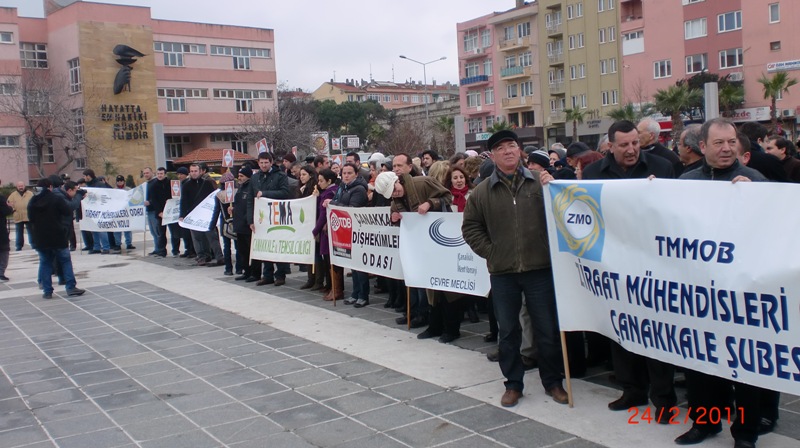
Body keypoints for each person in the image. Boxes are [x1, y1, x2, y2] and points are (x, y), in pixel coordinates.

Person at [676, 118, 767, 448]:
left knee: (743, 367)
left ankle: (745, 434)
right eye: (719, 143)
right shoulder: (686, 181)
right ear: (703, 147)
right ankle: (705, 423)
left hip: (741, 293)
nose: (727, 148)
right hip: (700, 291)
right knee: (700, 363)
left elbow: (771, 229)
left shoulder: (754, 179)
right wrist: (653, 192)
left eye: (731, 142)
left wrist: (756, 198)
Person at [461, 129, 567, 408]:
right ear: (493, 155)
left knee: (547, 329)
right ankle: (513, 384)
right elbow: (471, 228)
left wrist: (554, 185)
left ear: (520, 151)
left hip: (539, 269)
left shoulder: (540, 183)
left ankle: (553, 381)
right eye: (501, 148)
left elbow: (563, 213)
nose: (508, 151)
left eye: (512, 146)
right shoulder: (482, 191)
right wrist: (492, 252)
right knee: (508, 332)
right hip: (503, 272)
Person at [582, 120, 676, 420]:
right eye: (624, 145)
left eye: (635, 143)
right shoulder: (595, 173)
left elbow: (677, 210)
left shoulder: (663, 167)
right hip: (615, 265)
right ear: (610, 146)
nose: (632, 149)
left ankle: (663, 398)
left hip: (654, 265)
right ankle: (631, 389)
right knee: (621, 330)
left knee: (655, 333)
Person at [374, 166, 452, 328]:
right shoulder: (395, 200)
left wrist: (430, 203)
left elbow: (447, 197)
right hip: (414, 241)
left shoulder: (423, 183)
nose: (395, 194)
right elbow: (395, 218)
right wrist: (394, 219)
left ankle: (425, 314)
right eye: (391, 194)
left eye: (395, 190)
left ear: (397, 180)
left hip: (435, 237)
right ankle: (415, 311)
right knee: (413, 277)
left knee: (426, 281)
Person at [28, 178, 85, 299]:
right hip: (57, 235)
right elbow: (67, 210)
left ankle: (47, 290)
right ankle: (70, 287)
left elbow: (30, 219)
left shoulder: (33, 201)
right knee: (65, 261)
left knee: (45, 262)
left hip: (41, 237)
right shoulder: (56, 198)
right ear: (50, 187)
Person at [247, 152, 291, 286]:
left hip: (277, 216)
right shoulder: (254, 178)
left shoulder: (280, 175)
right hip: (262, 218)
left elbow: (285, 192)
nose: (264, 165)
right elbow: (250, 199)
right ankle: (267, 275)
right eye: (261, 163)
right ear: (258, 163)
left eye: (266, 162)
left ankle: (281, 275)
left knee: (277, 246)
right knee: (265, 246)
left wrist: (265, 194)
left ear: (271, 162)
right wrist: (250, 220)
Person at [331, 163, 370, 307]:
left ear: (356, 174)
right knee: (353, 264)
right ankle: (355, 293)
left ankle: (363, 295)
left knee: (360, 265)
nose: (346, 176)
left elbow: (352, 209)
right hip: (346, 230)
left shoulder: (359, 189)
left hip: (358, 230)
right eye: (344, 173)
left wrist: (336, 205)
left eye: (349, 173)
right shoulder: (342, 187)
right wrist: (336, 203)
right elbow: (335, 200)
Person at [180, 163, 222, 266]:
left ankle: (219, 256)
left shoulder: (207, 184)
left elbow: (214, 197)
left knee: (212, 236)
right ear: (190, 172)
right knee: (197, 238)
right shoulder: (186, 185)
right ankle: (202, 256)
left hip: (207, 215)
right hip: (193, 215)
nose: (194, 173)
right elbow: (183, 201)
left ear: (200, 171)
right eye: (192, 171)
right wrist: (182, 215)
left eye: (196, 171)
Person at [313, 169, 339, 299]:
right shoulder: (327, 192)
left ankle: (335, 288)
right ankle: (330, 286)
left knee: (330, 260)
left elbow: (323, 214)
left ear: (329, 181)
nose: (319, 183)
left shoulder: (329, 193)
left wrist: (315, 231)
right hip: (327, 231)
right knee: (327, 260)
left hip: (327, 231)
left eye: (321, 181)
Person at [83, 168, 116, 254]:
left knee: (101, 229)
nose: (84, 178)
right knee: (94, 229)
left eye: (85, 176)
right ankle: (96, 247)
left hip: (100, 209)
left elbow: (104, 195)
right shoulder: (88, 185)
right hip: (92, 210)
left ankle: (106, 247)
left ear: (89, 176)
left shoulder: (99, 184)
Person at [297, 165, 319, 289]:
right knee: (309, 253)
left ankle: (318, 280)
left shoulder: (314, 188)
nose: (301, 177)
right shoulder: (301, 188)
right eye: (300, 175)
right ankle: (310, 278)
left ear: (310, 175)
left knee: (315, 254)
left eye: (304, 174)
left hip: (314, 223)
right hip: (305, 224)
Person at [8, 181, 34, 251]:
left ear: (24, 186)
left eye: (22, 186)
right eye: (19, 186)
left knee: (31, 232)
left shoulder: (30, 194)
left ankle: (33, 245)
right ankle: (18, 246)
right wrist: (13, 210)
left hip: (28, 216)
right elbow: (9, 204)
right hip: (18, 216)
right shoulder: (13, 195)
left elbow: (34, 203)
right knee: (19, 233)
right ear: (17, 187)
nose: (21, 187)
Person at [113, 175, 135, 251]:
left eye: (121, 181)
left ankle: (129, 243)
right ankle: (118, 244)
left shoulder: (128, 190)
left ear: (124, 181)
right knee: (117, 229)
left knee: (128, 228)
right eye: (118, 181)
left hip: (126, 212)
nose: (119, 182)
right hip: (117, 212)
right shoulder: (114, 191)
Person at [0, 182, 10, 281]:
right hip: (1, 229)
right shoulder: (1, 198)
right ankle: (1, 272)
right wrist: (10, 207)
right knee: (4, 250)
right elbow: (6, 211)